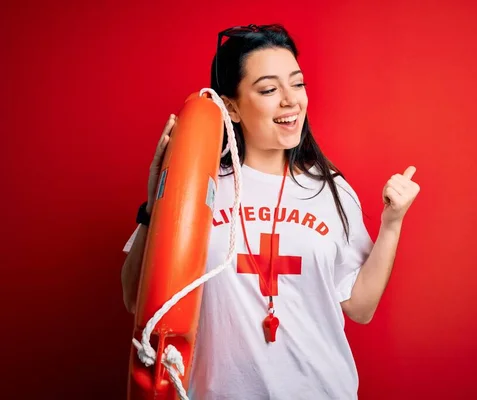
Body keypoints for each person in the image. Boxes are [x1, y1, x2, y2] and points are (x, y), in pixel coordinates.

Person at [121, 23, 420, 400]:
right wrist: (155, 203)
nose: (290, 100)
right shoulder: (198, 186)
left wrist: (392, 223)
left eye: (296, 84)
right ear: (231, 107)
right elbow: (136, 299)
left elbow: (359, 307)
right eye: (268, 89)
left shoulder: (330, 189)